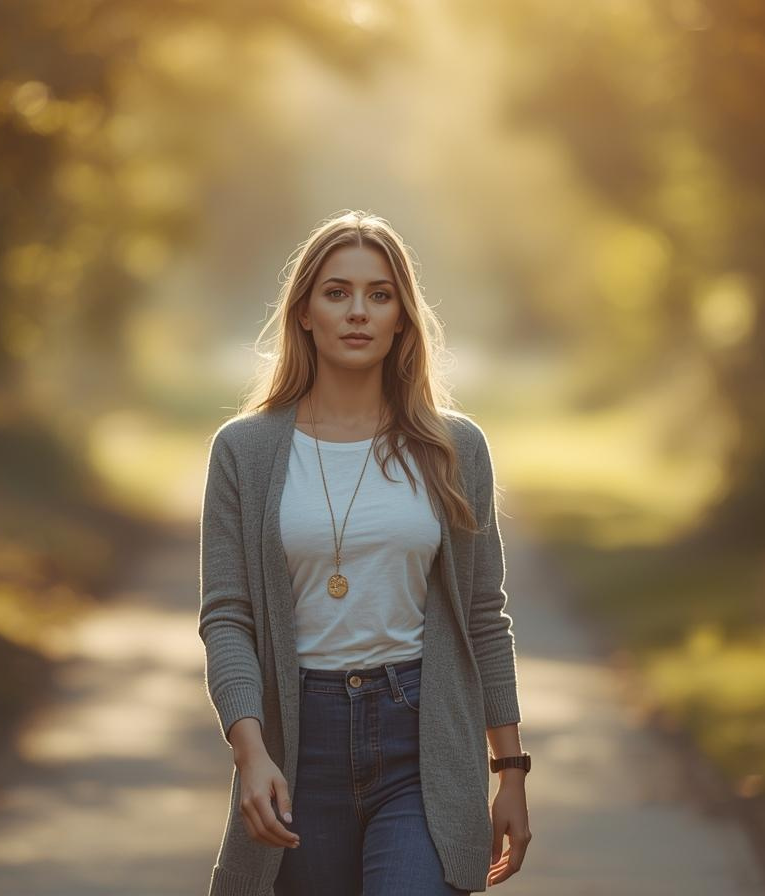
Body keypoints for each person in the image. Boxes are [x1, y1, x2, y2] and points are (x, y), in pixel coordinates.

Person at [198, 210, 532, 895]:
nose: (359, 312)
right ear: (304, 314)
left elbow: (483, 617)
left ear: (403, 318)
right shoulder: (245, 451)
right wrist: (250, 752)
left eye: (380, 295)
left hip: (421, 738)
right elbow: (228, 618)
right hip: (300, 743)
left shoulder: (454, 448)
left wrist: (512, 772)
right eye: (337, 292)